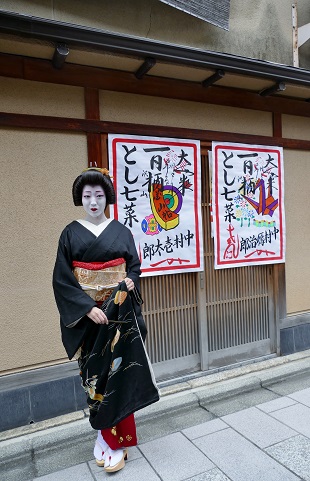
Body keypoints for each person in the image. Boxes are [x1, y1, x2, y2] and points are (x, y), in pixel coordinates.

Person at [53, 167, 159, 473]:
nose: (93, 201)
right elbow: (62, 280)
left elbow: (134, 268)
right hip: (90, 321)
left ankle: (115, 442)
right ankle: (105, 435)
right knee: (96, 379)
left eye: (99, 195)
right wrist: (86, 307)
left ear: (107, 198)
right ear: (80, 199)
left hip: (119, 317)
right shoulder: (70, 233)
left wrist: (129, 282)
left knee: (121, 375)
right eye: (87, 196)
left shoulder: (122, 231)